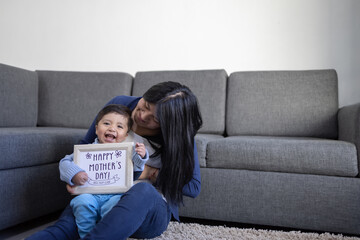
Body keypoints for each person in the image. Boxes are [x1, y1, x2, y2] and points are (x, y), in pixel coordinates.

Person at [26, 81, 202, 240]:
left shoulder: (180, 135)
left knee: (144, 190)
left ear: (169, 125)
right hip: (97, 197)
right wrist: (75, 176)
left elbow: (194, 187)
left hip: (145, 209)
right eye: (145, 105)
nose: (142, 116)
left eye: (154, 118)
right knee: (65, 228)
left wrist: (150, 173)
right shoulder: (120, 105)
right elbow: (86, 148)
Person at [59, 104, 149, 238]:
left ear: (125, 135)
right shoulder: (86, 151)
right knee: (81, 202)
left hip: (115, 195)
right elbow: (65, 162)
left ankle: (107, 234)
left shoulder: (126, 152)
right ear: (96, 129)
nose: (112, 128)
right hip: (90, 194)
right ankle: (86, 235)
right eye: (106, 123)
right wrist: (75, 173)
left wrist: (141, 156)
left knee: (117, 208)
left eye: (119, 126)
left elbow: (135, 170)